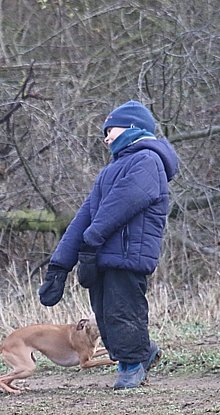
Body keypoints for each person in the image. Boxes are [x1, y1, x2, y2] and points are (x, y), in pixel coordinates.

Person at [38, 100, 179, 389]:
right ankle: (143, 351)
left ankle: (132, 365)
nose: (106, 137)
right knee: (105, 316)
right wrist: (60, 264)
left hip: (129, 256)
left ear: (131, 127)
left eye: (110, 129)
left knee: (123, 312)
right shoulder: (110, 170)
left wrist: (91, 240)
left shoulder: (148, 161)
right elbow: (85, 216)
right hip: (101, 255)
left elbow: (121, 205)